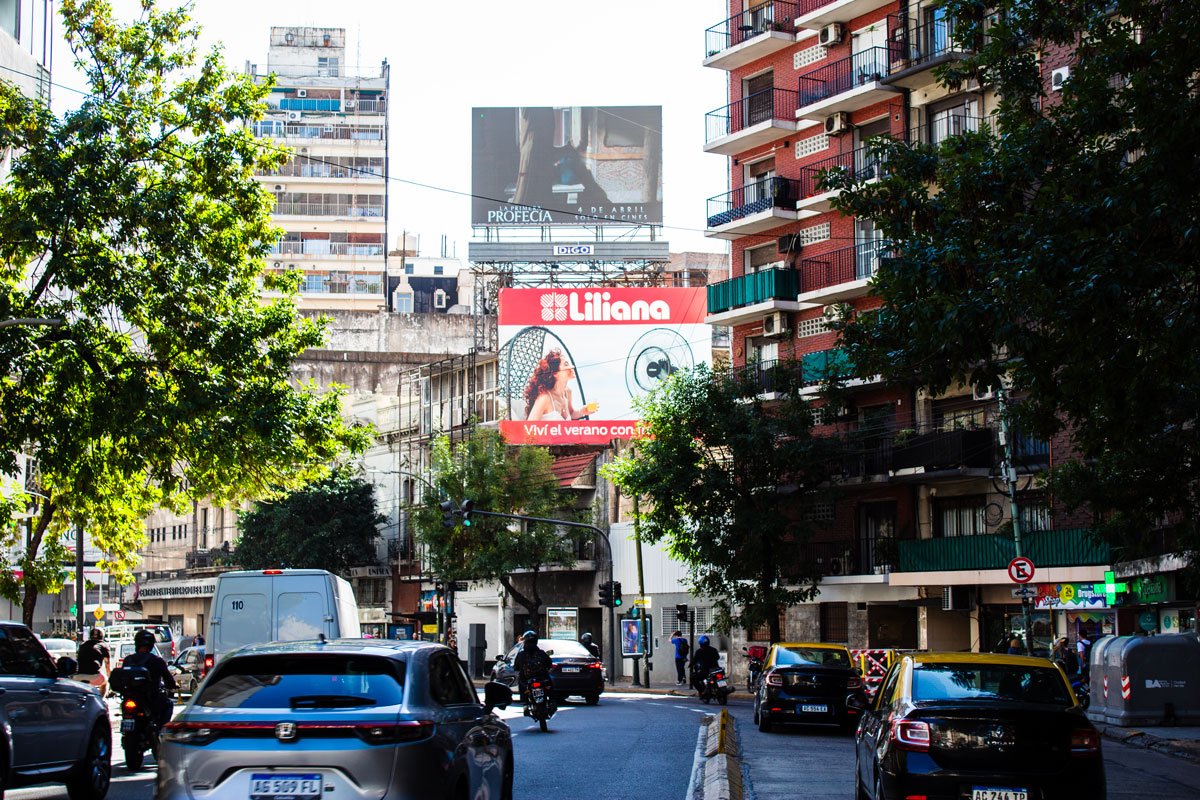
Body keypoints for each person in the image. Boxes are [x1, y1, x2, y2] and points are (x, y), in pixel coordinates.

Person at [120, 629, 177, 727]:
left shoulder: (128, 659)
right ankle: (160, 730)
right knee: (168, 704)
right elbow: (168, 679)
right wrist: (173, 685)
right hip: (150, 699)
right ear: (151, 645)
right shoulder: (157, 661)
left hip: (130, 697)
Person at [522, 349, 598, 421]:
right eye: (566, 364)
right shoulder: (545, 398)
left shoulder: (567, 392)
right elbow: (529, 427)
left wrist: (582, 412)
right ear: (555, 373)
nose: (572, 366)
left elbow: (571, 414)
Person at [512, 630, 552, 701]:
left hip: (527, 680)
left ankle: (525, 703)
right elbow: (549, 664)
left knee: (521, 684)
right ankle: (552, 700)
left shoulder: (521, 654)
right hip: (541, 678)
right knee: (550, 684)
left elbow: (516, 667)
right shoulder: (541, 653)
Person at [76, 628, 111, 697]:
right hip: (94, 676)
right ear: (102, 636)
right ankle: (101, 700)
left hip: (78, 676)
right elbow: (107, 666)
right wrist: (109, 676)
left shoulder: (82, 645)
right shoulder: (103, 645)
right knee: (106, 682)